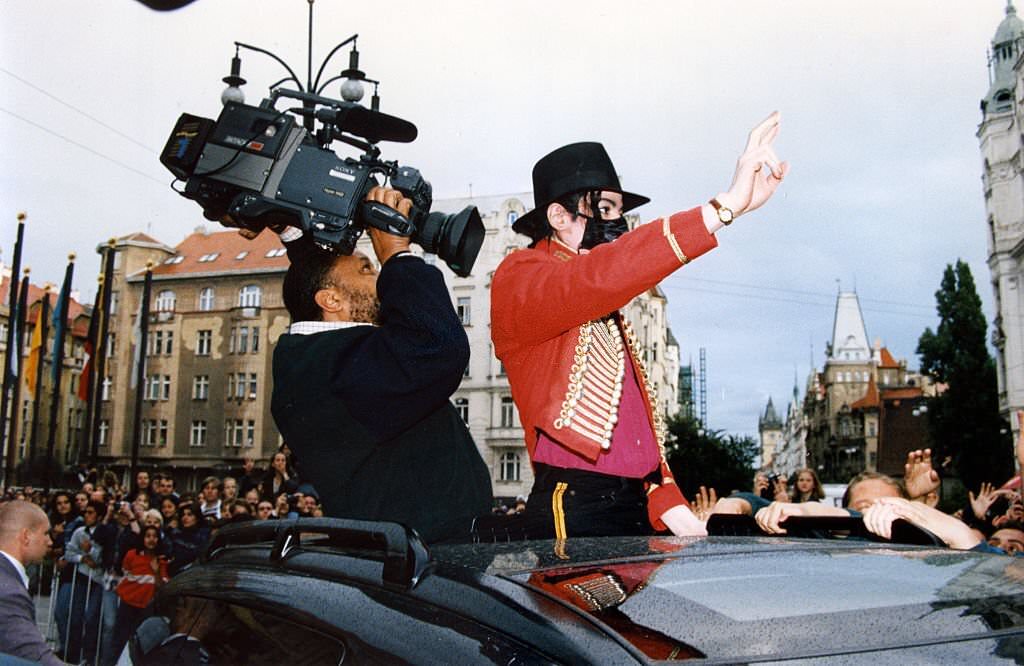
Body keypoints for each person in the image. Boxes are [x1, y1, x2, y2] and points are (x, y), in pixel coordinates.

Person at [490, 114, 787, 538]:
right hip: (573, 500)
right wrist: (724, 208)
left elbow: (633, 430)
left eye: (619, 211)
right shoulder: (520, 274)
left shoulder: (601, 299)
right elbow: (603, 275)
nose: (618, 223)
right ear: (558, 215)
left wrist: (668, 502)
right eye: (604, 208)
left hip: (633, 502)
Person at [271, 186, 492, 543]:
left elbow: (318, 277)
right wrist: (396, 255)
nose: (380, 278)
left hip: (415, 548)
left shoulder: (319, 358)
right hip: (418, 561)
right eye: (366, 269)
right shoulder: (334, 366)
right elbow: (438, 348)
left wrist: (291, 231)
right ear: (331, 300)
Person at [0, 500, 63, 665]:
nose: (50, 541)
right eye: (45, 533)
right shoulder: (9, 593)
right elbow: (35, 656)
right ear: (26, 536)